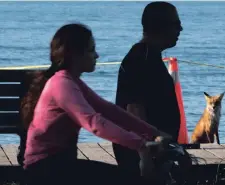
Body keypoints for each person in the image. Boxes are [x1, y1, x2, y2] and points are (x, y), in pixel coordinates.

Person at [20, 23, 169, 185]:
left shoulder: (71, 81)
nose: (97, 55)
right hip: (44, 171)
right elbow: (94, 122)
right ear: (75, 55)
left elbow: (109, 111)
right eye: (91, 50)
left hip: (59, 166)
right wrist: (140, 144)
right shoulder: (62, 83)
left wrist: (154, 132)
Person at [113, 1, 184, 182]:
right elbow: (134, 109)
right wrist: (149, 153)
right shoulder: (140, 59)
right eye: (176, 24)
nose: (181, 29)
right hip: (144, 156)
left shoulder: (148, 56)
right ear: (160, 26)